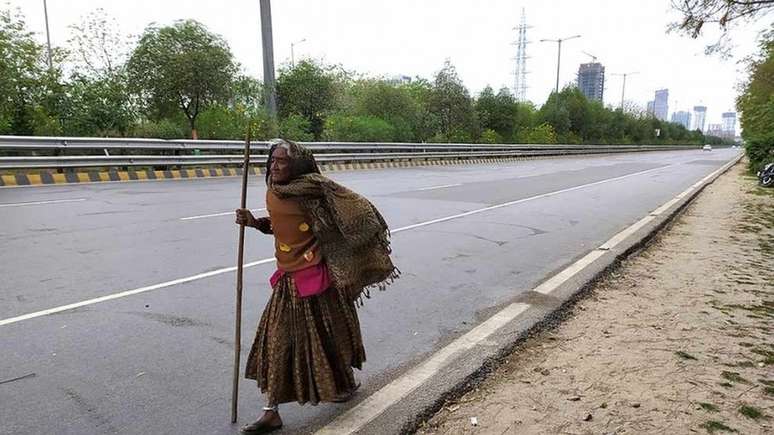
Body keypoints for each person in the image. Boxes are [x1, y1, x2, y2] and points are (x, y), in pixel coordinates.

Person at [235, 139, 398, 434]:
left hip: (317, 278)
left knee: (329, 335)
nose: (275, 166)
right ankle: (271, 410)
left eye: (282, 161)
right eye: (272, 161)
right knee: (278, 339)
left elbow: (350, 217)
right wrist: (254, 223)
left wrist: (345, 248)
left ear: (296, 165)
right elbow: (278, 225)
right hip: (288, 279)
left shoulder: (313, 192)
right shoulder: (273, 190)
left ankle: (342, 384)